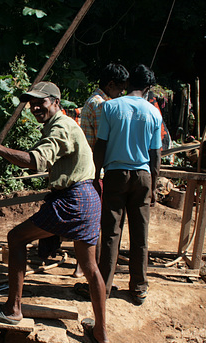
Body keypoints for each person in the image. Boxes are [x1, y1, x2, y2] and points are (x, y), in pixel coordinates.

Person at [0, 81, 108, 343]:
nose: (35, 107)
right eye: (32, 103)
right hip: (89, 198)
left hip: (74, 199)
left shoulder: (60, 127)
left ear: (56, 103)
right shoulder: (64, 125)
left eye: (41, 102)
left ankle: (12, 309)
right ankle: (101, 333)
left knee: (16, 237)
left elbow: (35, 160)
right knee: (91, 268)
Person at [93, 64, 162, 306]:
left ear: (129, 81)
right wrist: (152, 185)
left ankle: (104, 285)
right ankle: (139, 287)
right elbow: (155, 154)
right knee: (140, 233)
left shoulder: (110, 106)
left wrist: (95, 175)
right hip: (142, 176)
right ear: (148, 87)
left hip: (115, 175)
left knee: (112, 231)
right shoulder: (154, 112)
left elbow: (101, 144)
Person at [73, 63, 129, 282]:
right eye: (120, 88)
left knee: (92, 219)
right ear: (111, 84)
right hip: (97, 169)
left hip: (92, 167)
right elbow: (105, 141)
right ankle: (86, 265)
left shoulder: (96, 102)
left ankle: (84, 264)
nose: (122, 93)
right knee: (96, 220)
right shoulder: (101, 105)